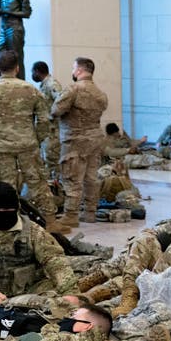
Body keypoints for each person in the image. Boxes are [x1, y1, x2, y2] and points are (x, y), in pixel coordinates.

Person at [0, 50, 69, 233]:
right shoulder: (31, 90)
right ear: (17, 68)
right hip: (28, 145)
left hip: (1, 146)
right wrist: (37, 138)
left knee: (5, 184)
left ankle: (10, 223)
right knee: (38, 182)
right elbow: (44, 119)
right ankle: (50, 221)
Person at [0, 182, 77, 327]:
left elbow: (56, 262)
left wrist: (70, 293)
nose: (2, 212)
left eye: (7, 209)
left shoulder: (33, 231)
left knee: (62, 307)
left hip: (30, 290)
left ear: (16, 208)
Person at [51, 57, 108, 226]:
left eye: (73, 68)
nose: (72, 71)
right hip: (95, 139)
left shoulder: (73, 89)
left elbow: (55, 110)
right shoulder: (100, 94)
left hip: (74, 140)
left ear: (79, 71)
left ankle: (71, 215)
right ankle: (90, 212)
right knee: (91, 177)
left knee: (72, 177)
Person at [31, 61, 63, 177]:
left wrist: (51, 116)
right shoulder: (44, 84)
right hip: (46, 132)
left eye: (32, 72)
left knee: (54, 162)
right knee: (48, 162)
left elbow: (61, 102)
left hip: (52, 131)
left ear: (37, 71)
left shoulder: (51, 84)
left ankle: (58, 190)